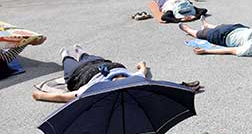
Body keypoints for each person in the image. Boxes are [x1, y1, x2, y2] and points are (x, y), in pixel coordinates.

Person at [31, 46, 202, 103]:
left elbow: (66, 97)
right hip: (103, 64)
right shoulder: (134, 80)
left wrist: (40, 95)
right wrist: (142, 64)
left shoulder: (98, 88)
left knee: (68, 59)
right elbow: (144, 72)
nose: (122, 79)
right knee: (87, 56)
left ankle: (66, 54)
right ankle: (81, 51)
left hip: (78, 74)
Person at [179, 20, 252, 57]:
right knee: (219, 27)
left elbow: (230, 50)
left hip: (224, 36)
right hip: (236, 29)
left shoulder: (250, 48)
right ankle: (208, 25)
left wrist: (206, 51)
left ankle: (188, 30)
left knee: (201, 34)